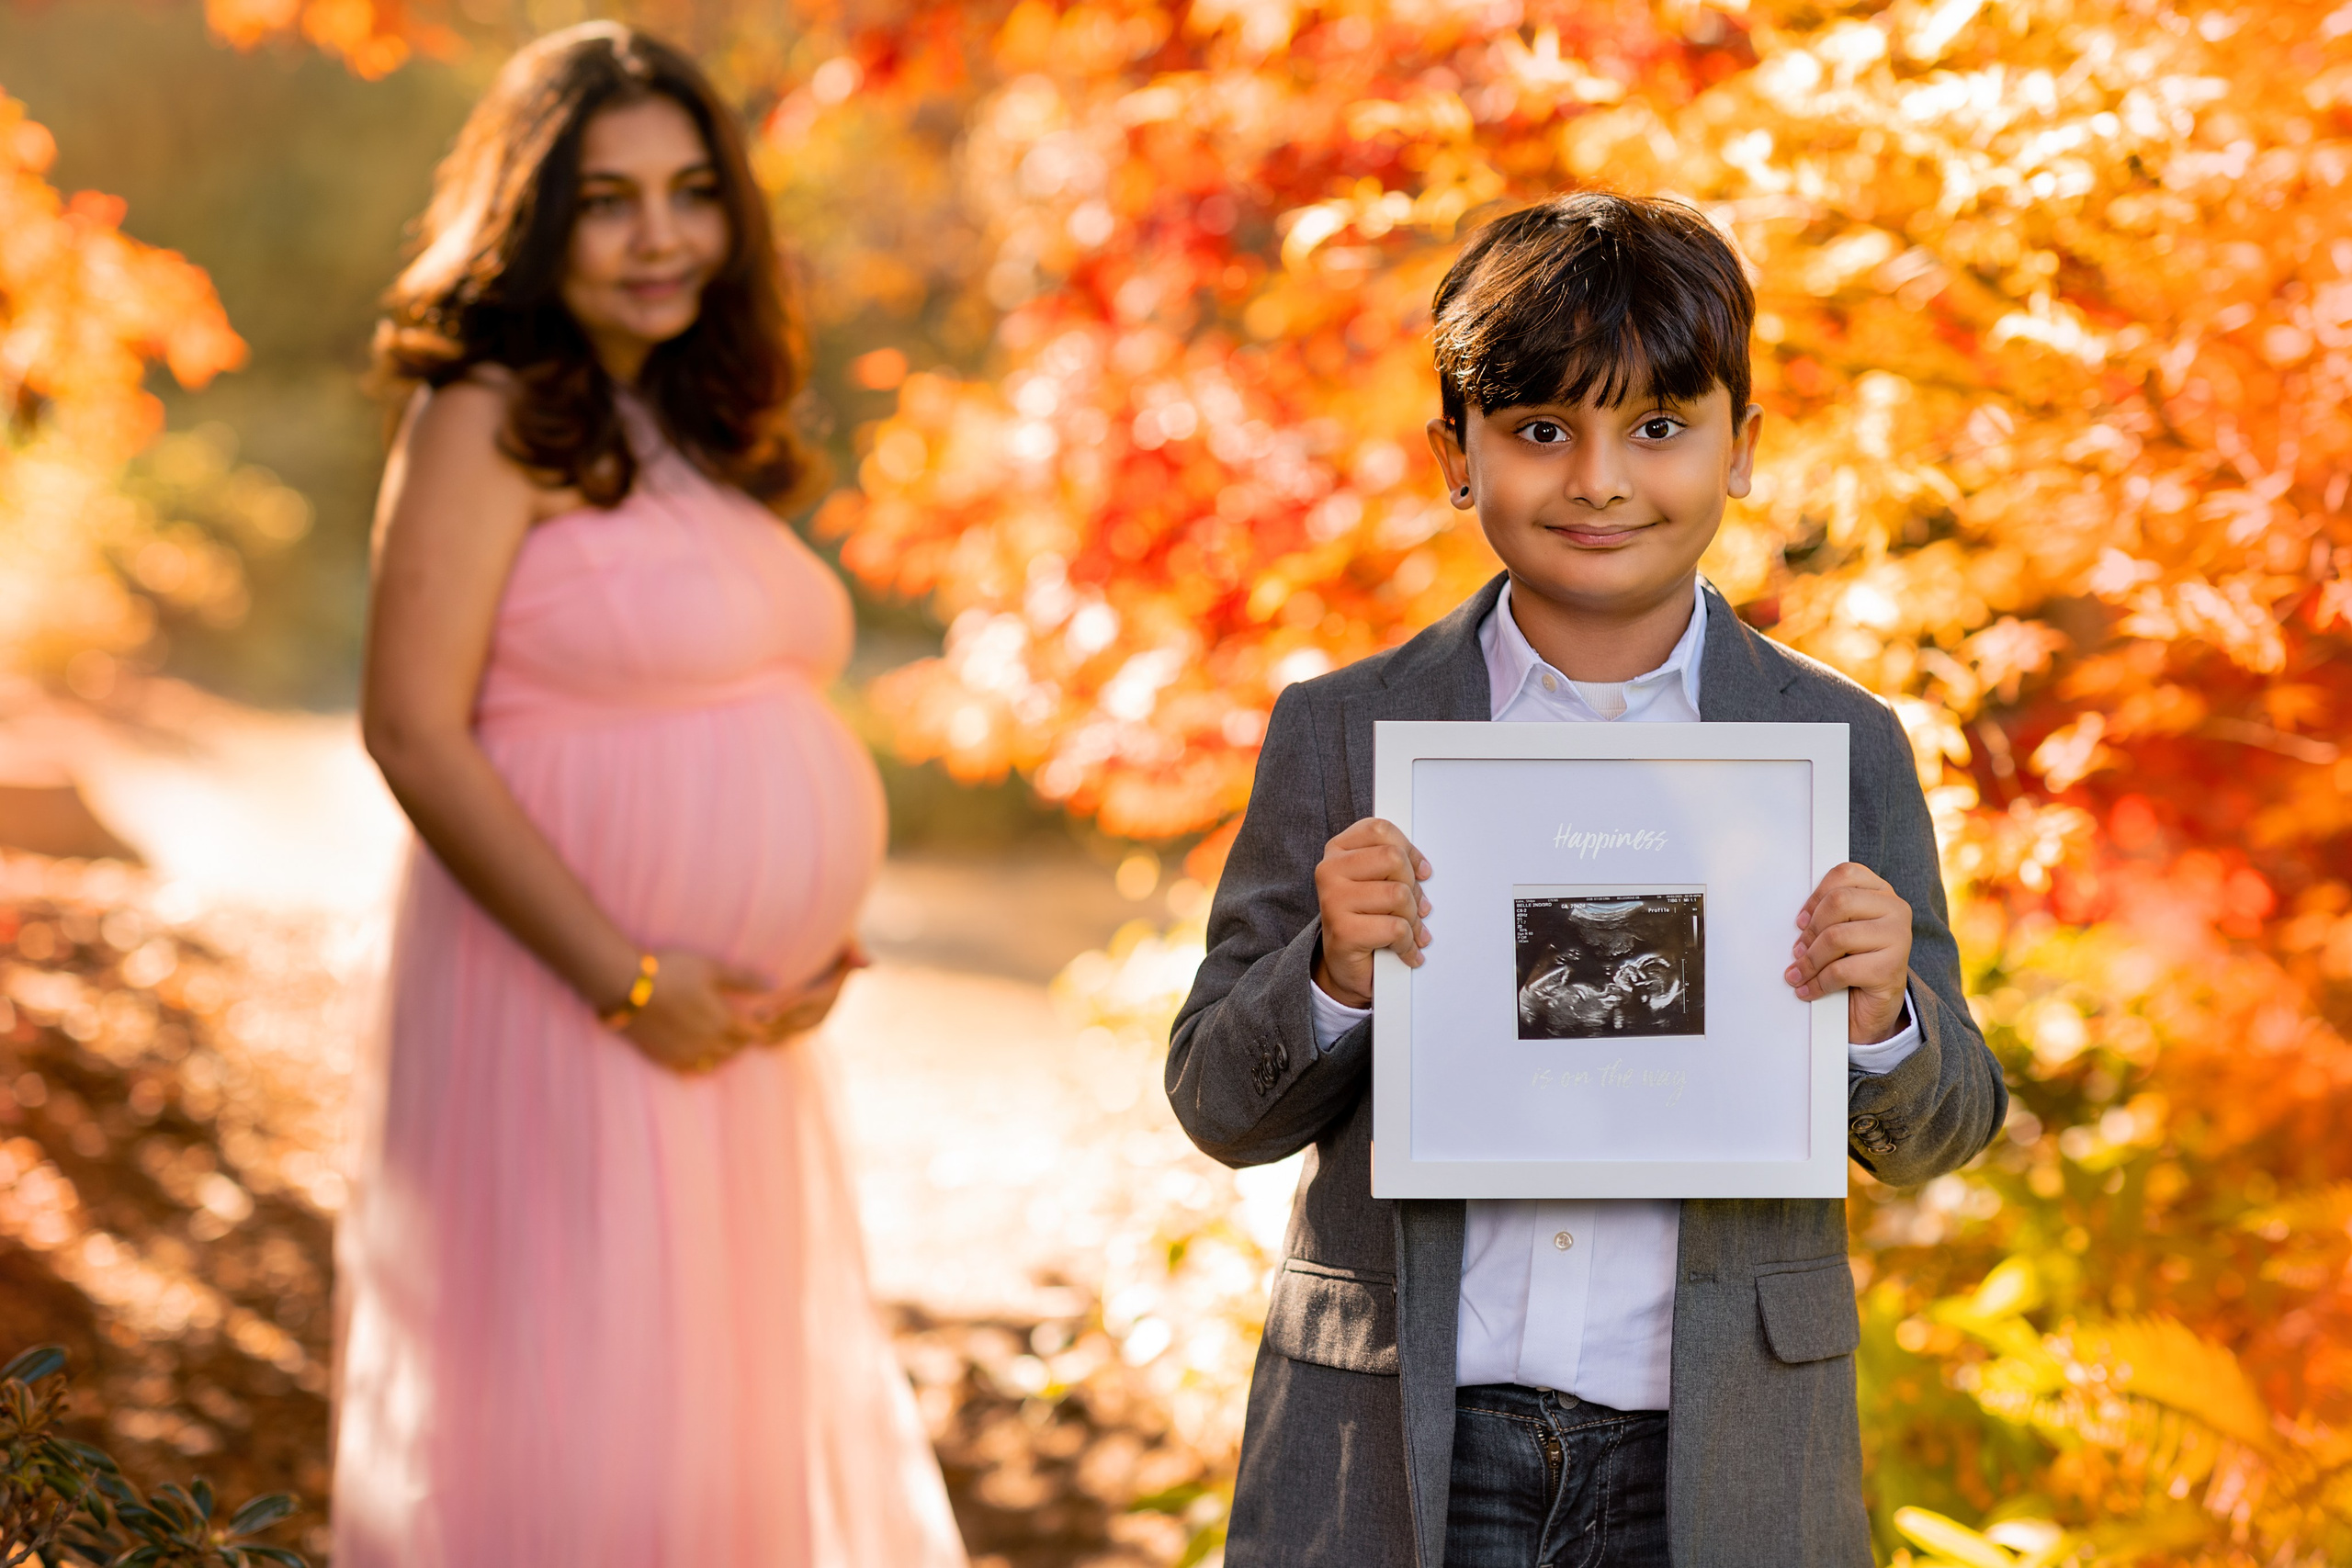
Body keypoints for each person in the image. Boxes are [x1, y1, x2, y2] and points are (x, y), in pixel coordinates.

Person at [1166, 193, 2006, 1567]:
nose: (1601, 480)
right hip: (1403, 1427)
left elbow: (1948, 1124)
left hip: (1721, 1440)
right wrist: (1327, 975)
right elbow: (1217, 1103)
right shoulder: (1344, 731)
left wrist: (1882, 1017)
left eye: (1660, 427)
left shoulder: (1836, 747)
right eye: (1542, 429)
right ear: (1458, 453)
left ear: (1745, 449)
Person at [333, 24, 967, 1566]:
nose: (662, 234)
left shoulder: (684, 420)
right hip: (566, 1002)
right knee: (582, 1414)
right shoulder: (484, 408)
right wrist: (623, 981)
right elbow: (413, 731)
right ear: (533, 218)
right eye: (608, 200)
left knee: (711, 1426)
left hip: (725, 1033)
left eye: (692, 191)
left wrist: (796, 922)